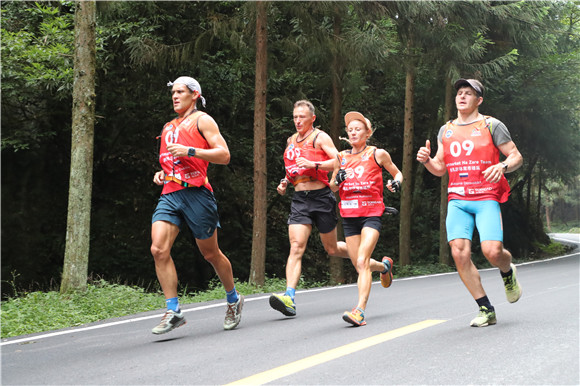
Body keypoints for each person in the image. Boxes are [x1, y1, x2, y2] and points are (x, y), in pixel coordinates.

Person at [416, 78, 523, 327]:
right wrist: (427, 161)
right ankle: (486, 308)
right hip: (458, 199)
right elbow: (440, 168)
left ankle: (508, 271)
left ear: (479, 100)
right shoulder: (447, 130)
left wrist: (503, 165)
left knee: (492, 251)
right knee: (459, 253)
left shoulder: (492, 125)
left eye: (468, 93)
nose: (462, 96)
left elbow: (516, 156)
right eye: (459, 93)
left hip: (486, 197)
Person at [269, 100, 391, 318]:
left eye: (302, 117)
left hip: (322, 197)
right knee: (296, 246)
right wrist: (285, 182)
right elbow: (293, 168)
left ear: (312, 119)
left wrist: (313, 165)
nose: (297, 121)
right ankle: (289, 296)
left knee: (333, 249)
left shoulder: (320, 137)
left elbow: (340, 163)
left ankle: (382, 267)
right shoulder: (290, 141)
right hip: (299, 198)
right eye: (295, 117)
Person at [150, 76, 243, 334]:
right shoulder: (168, 127)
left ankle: (233, 299)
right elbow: (170, 162)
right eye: (173, 93)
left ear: (194, 94)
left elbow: (224, 155)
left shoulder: (203, 120)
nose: (175, 96)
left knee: (210, 253)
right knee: (158, 249)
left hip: (197, 194)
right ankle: (173, 310)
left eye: (180, 92)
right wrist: (161, 174)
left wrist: (191, 151)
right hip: (170, 193)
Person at [329, 112, 402, 326]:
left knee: (361, 261)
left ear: (367, 133)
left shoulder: (377, 154)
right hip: (350, 216)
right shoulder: (341, 157)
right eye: (350, 129)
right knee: (360, 264)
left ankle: (359, 311)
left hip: (372, 213)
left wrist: (396, 183)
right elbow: (332, 185)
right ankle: (384, 267)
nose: (353, 132)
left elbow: (398, 173)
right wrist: (337, 179)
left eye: (357, 129)